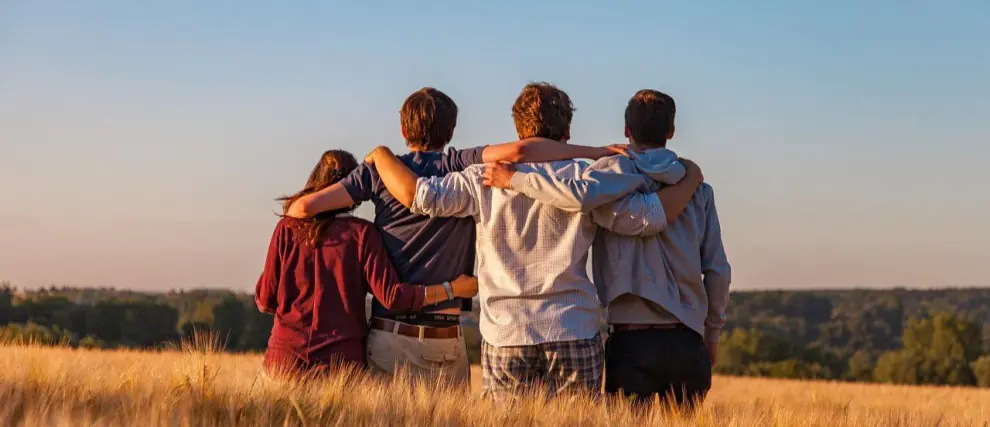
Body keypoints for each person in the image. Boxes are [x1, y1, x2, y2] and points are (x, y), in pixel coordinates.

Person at [364, 82, 704, 398]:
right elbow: (645, 219)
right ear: (567, 131)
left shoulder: (481, 178)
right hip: (573, 326)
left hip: (506, 332)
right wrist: (690, 180)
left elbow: (421, 197)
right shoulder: (588, 178)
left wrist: (381, 155)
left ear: (518, 129)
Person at [283, 87, 625, 386]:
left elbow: (301, 209)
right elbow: (522, 153)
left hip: (391, 332)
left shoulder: (378, 172)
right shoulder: (460, 164)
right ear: (452, 129)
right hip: (448, 335)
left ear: (403, 129)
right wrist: (595, 152)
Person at [484, 90, 731, 407]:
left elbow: (577, 197)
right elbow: (717, 270)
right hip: (687, 337)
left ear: (627, 130)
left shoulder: (605, 181)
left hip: (630, 340)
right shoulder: (698, 190)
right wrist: (712, 332)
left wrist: (516, 180)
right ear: (671, 131)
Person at [255, 149, 479, 379]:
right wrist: (451, 289)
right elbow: (393, 297)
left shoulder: (287, 229)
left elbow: (265, 300)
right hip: (341, 367)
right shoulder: (362, 234)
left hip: (284, 362)